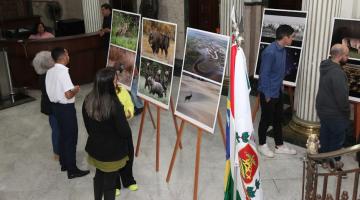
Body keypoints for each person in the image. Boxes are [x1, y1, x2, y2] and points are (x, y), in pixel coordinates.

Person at [82, 68, 137, 200]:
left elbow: (88, 127)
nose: (117, 82)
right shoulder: (114, 104)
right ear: (108, 84)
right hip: (112, 153)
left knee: (99, 175)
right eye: (115, 80)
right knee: (110, 184)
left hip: (95, 149)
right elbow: (125, 132)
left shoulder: (88, 99)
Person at [46, 47, 89, 179]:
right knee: (71, 138)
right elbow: (68, 94)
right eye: (67, 53)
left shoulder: (50, 71)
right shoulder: (63, 72)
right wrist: (76, 89)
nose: (68, 55)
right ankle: (72, 170)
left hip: (55, 108)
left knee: (63, 135)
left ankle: (64, 163)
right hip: (66, 109)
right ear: (63, 56)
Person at [257, 24, 297, 158]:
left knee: (278, 119)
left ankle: (279, 145)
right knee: (266, 119)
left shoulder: (283, 50)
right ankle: (262, 144)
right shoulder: (270, 52)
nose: (292, 39)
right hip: (268, 92)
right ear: (285, 38)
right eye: (291, 37)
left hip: (278, 90)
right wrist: (267, 94)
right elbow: (264, 75)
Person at [316, 44, 350, 174]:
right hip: (334, 112)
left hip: (323, 108)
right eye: (346, 55)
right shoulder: (337, 73)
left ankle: (323, 160)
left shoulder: (325, 64)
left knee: (325, 134)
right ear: (340, 56)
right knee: (337, 138)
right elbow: (341, 99)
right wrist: (347, 112)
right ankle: (334, 164)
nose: (348, 58)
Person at [32, 51, 59, 160]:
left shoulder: (43, 75)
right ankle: (57, 152)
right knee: (57, 129)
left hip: (49, 105)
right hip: (54, 106)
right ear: (48, 62)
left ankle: (57, 152)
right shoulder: (49, 76)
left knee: (55, 128)